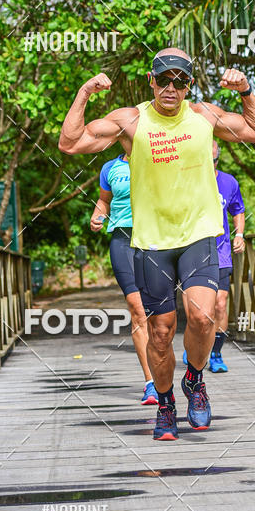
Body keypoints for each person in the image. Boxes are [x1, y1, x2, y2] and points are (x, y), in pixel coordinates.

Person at [59, 47, 255, 441]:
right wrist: (84, 92)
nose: (172, 87)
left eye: (181, 80)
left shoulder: (204, 115)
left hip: (199, 235)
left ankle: (194, 379)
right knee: (160, 332)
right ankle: (167, 403)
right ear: (152, 81)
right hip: (151, 242)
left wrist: (246, 91)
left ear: (189, 84)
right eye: (165, 79)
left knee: (204, 318)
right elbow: (71, 143)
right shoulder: (132, 121)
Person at [90, 154, 157, 405]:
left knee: (159, 315)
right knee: (138, 310)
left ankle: (165, 375)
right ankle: (150, 382)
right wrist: (97, 215)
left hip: (155, 238)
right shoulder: (110, 167)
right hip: (122, 240)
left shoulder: (157, 155)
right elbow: (104, 200)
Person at [182, 140, 245, 372]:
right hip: (190, 252)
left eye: (214, 161)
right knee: (195, 310)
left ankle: (216, 353)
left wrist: (240, 234)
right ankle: (192, 346)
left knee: (220, 304)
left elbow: (238, 210)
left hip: (220, 253)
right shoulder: (184, 181)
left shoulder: (228, 182)